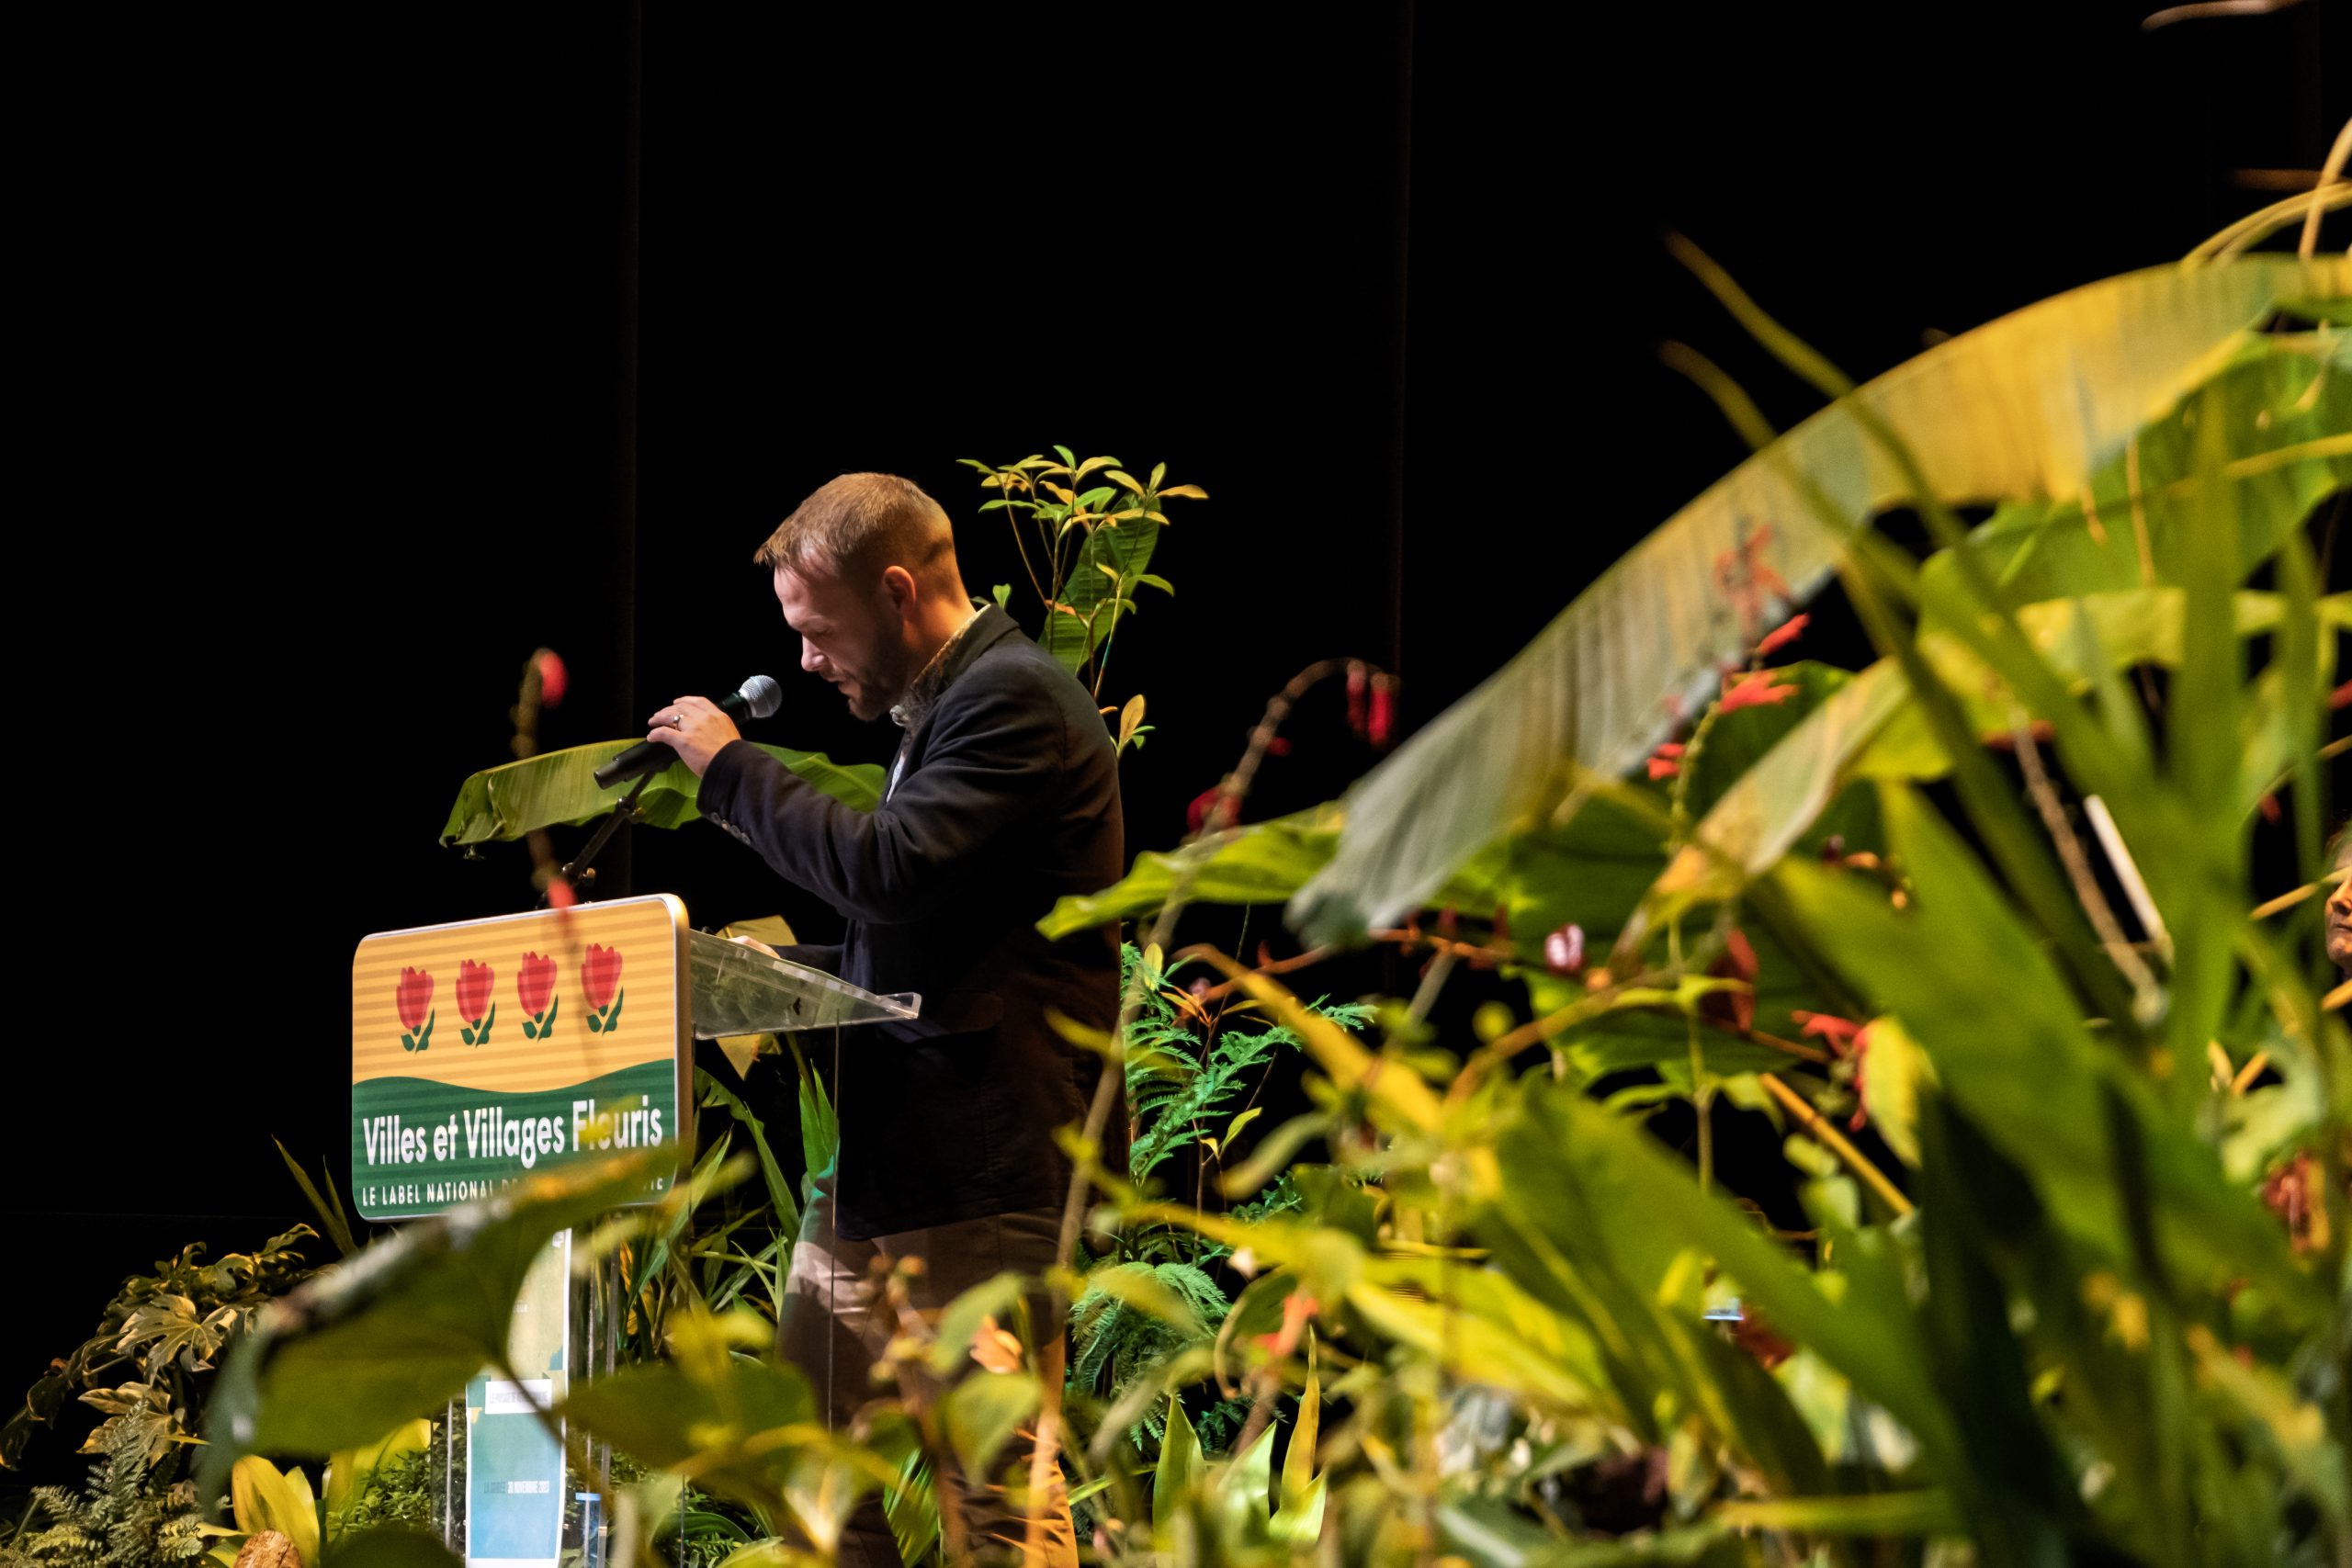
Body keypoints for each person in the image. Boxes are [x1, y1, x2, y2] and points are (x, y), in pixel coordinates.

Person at [646, 472, 1123, 1566]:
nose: (807, 661)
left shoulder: (1015, 700)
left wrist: (730, 771)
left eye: (819, 631)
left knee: (995, 1499)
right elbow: (919, 943)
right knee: (809, 1464)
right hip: (885, 1173)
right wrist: (763, 972)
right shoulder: (942, 714)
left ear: (898, 591)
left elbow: (887, 872)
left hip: (979, 1172)